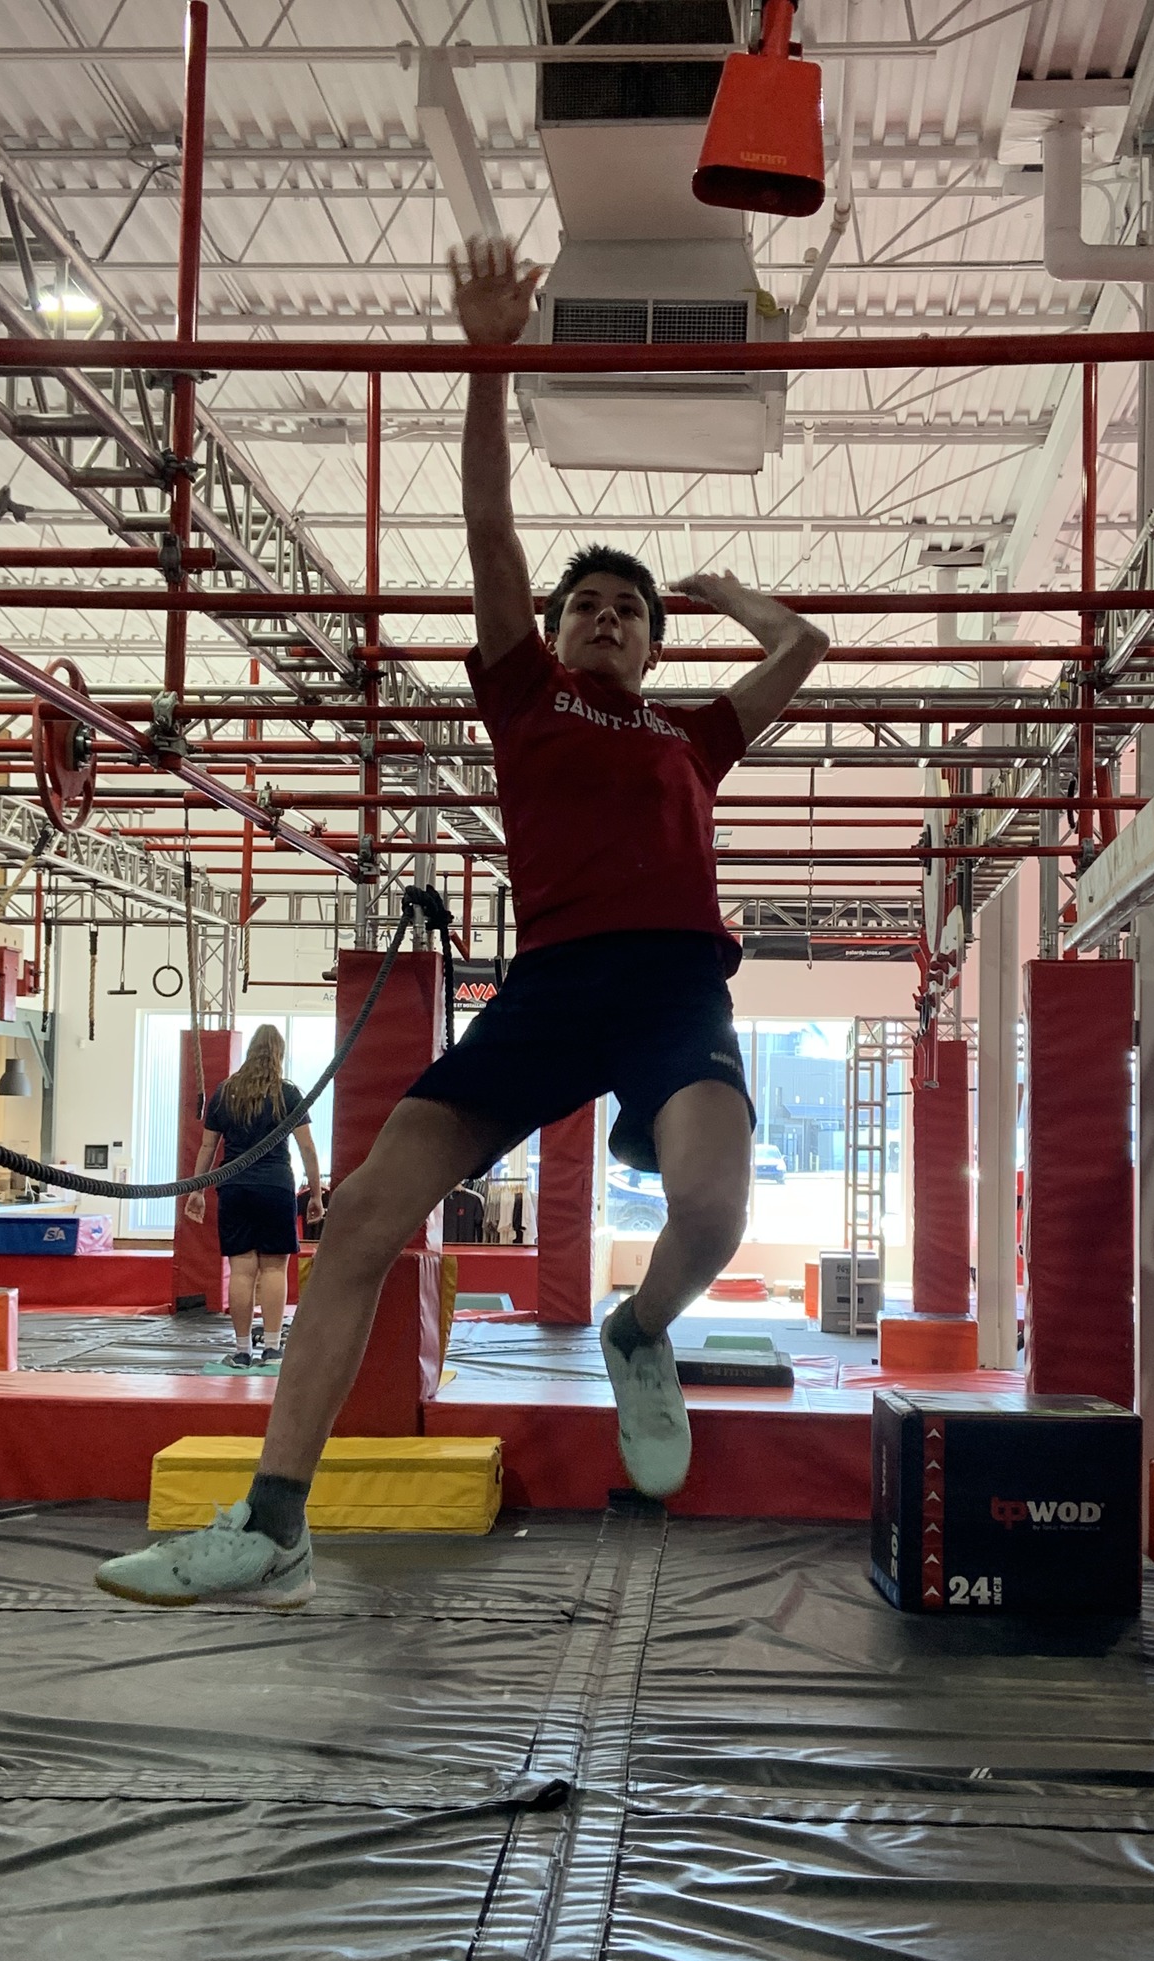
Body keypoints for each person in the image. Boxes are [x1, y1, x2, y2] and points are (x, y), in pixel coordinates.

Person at [95, 235, 829, 1608]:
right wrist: (490, 359)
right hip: (547, 992)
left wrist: (735, 600)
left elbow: (804, 650)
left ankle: (641, 1329)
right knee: (363, 1216)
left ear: (653, 645)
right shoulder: (524, 695)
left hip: (674, 993)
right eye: (587, 605)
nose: (606, 617)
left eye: (629, 611)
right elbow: (492, 528)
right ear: (555, 631)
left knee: (714, 1207)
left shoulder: (692, 738)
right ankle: (275, 1518)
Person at [182, 1025, 325, 1372]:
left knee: (242, 1270)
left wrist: (197, 1190)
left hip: (235, 1187)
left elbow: (207, 1146)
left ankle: (243, 1350)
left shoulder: (226, 1092)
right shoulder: (287, 1093)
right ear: (279, 1054)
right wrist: (316, 1194)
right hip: (275, 1187)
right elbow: (307, 1147)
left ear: (250, 1052)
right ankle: (272, 1348)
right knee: (274, 1267)